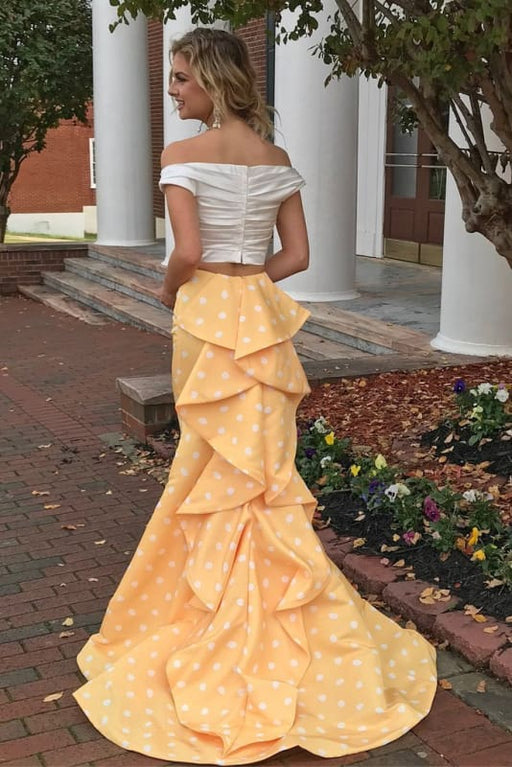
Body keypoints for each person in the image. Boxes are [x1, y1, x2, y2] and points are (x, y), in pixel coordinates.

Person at [74, 27, 436, 766]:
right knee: (264, 476)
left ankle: (215, 615)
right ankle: (281, 622)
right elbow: (297, 256)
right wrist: (248, 291)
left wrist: (172, 290)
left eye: (180, 77)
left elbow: (188, 252)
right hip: (261, 326)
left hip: (206, 324)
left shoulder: (181, 155)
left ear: (211, 78)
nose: (172, 90)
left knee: (207, 469)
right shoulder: (276, 160)